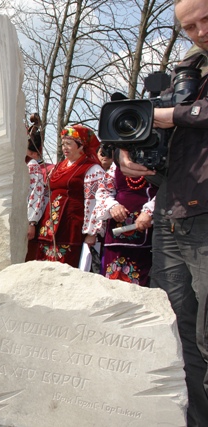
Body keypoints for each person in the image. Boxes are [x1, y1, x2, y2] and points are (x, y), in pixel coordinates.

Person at [119, 0, 208, 423]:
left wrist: (175, 115)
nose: (199, 32)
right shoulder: (185, 72)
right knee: (175, 335)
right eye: (189, 27)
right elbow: (165, 143)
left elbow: (183, 119)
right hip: (171, 219)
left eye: (206, 19)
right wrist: (137, 159)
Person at [35, 125, 105, 267]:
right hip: (49, 227)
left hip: (71, 228)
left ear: (81, 146)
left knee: (65, 267)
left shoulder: (92, 169)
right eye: (63, 144)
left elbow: (95, 202)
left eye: (69, 144)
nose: (64, 148)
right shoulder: (59, 166)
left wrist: (92, 232)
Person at [90, 163, 157, 286]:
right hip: (115, 234)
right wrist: (112, 206)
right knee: (111, 280)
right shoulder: (118, 162)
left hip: (147, 231)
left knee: (139, 283)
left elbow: (169, 188)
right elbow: (103, 190)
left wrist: (150, 211)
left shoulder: (156, 158)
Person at [25, 114, 47, 262]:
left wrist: (31, 222)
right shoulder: (23, 164)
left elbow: (35, 195)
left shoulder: (32, 166)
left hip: (26, 220)